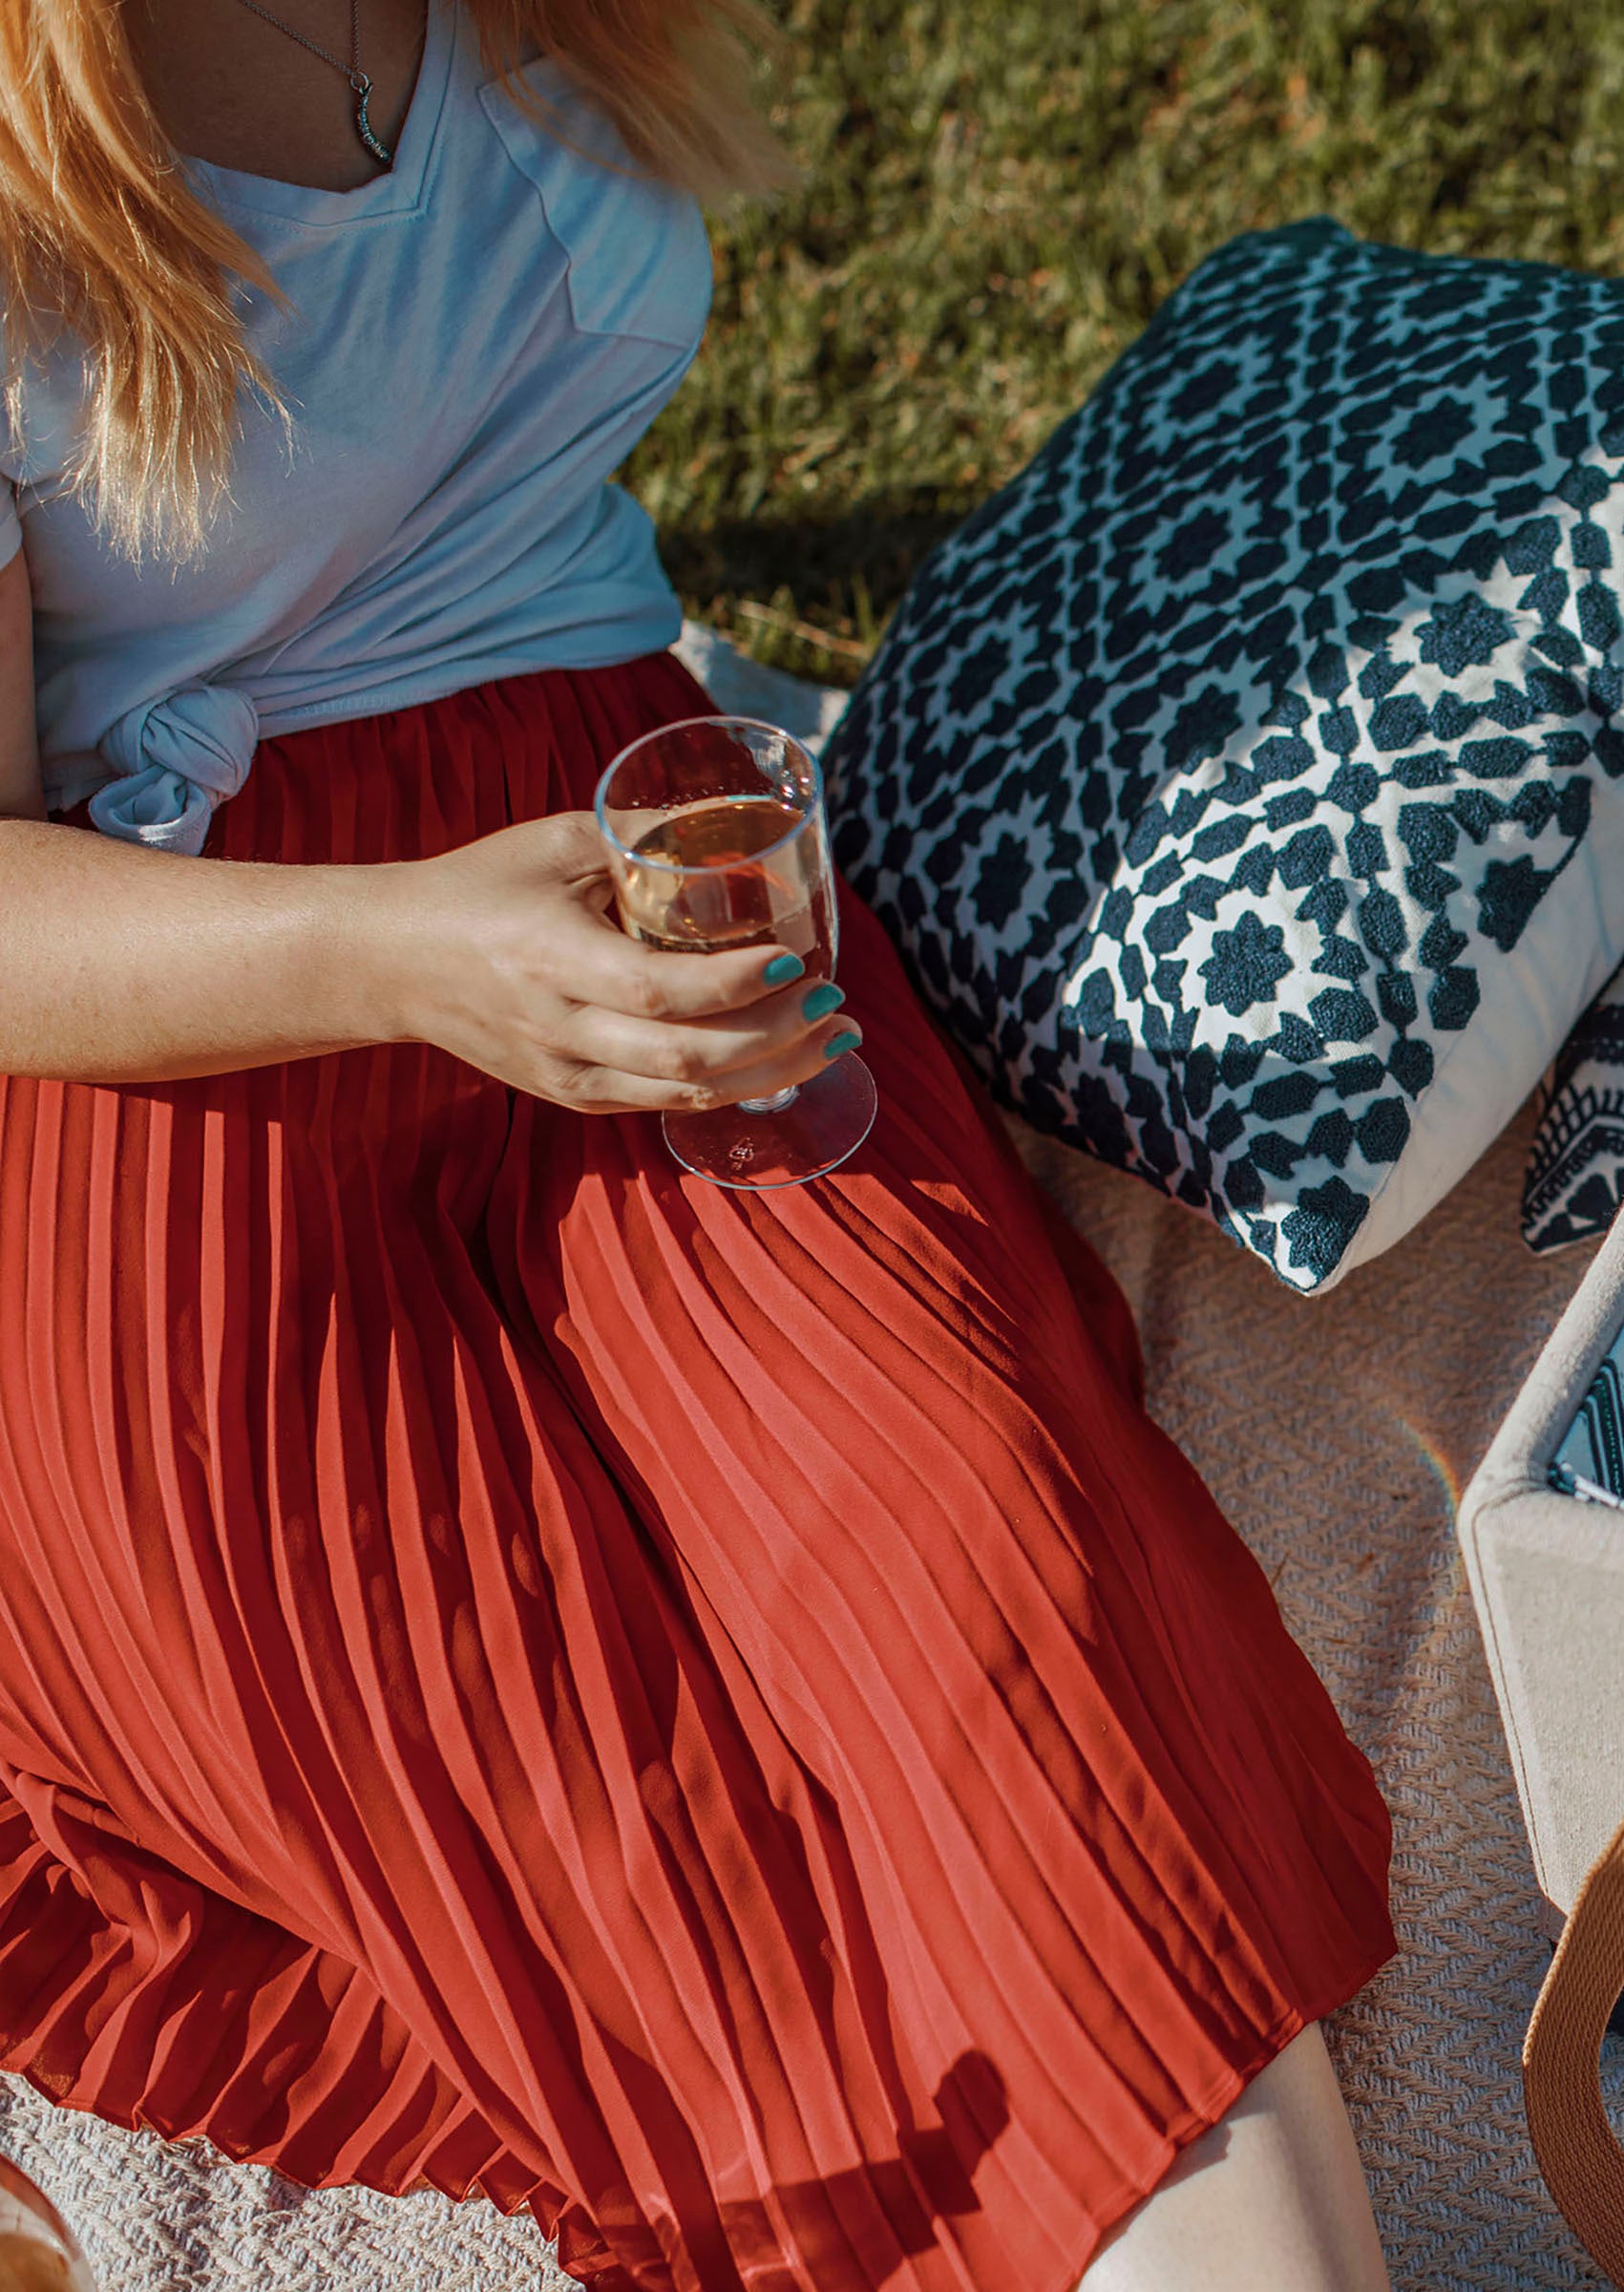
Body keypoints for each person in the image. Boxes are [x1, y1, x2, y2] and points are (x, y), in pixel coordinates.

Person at [0, 6, 1398, 2287]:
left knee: (995, 1593)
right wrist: (410, 958)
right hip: (207, 1014)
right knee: (538, 1766)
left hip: (646, 885)